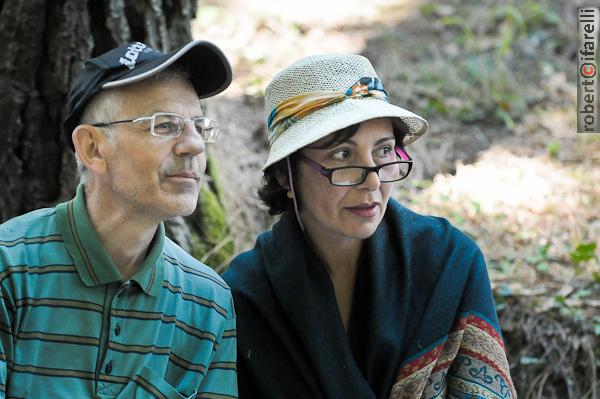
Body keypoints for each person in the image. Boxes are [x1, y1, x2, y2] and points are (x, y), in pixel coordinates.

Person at [223, 54, 517, 398]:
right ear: (284, 174)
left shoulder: (448, 262)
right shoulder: (245, 294)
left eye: (383, 152)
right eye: (343, 156)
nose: (372, 182)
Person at [0, 40, 238, 398]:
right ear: (93, 149)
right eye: (166, 125)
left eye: (199, 126)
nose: (195, 145)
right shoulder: (10, 267)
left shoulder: (208, 302)